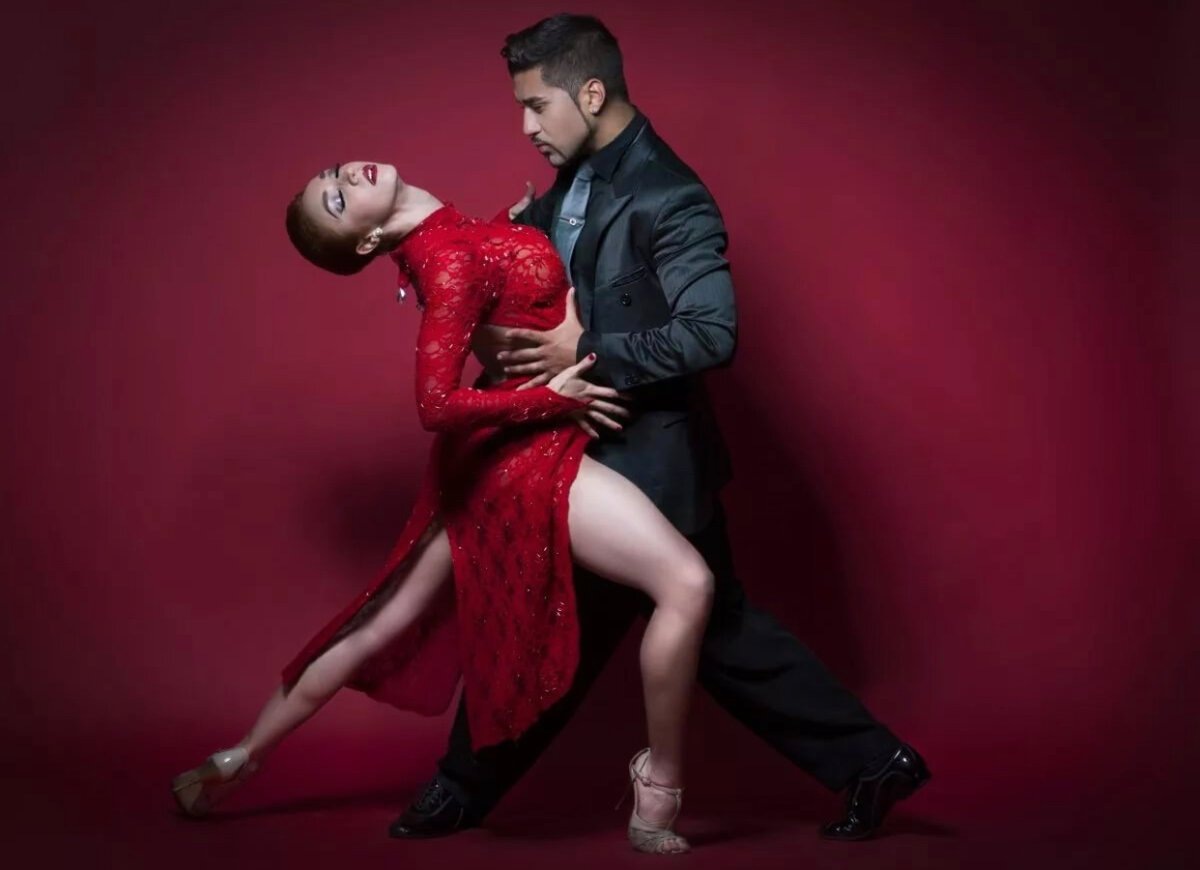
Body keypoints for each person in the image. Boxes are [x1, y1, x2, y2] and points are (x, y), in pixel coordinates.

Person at [390, 14, 930, 843]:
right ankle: (873, 762)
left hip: (653, 466)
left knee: (587, 628)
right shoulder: (568, 179)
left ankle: (461, 788)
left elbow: (711, 334)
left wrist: (586, 350)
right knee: (688, 634)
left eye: (536, 105)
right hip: (583, 456)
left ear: (590, 93)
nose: (525, 126)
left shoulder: (672, 197)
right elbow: (537, 275)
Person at [170, 159, 715, 854]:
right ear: (368, 241)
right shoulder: (449, 260)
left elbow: (502, 297)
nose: (348, 178)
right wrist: (553, 398)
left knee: (385, 618)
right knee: (687, 584)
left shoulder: (453, 235)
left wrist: (516, 226)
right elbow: (435, 405)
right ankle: (659, 787)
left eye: (334, 174)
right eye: (337, 199)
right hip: (521, 454)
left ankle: (240, 758)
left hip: (493, 453)